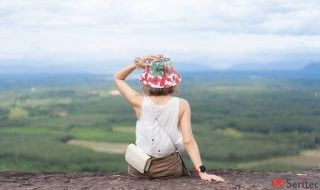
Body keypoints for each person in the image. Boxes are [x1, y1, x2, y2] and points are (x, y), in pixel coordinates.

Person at [113, 54, 225, 182]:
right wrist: (203, 172)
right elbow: (188, 142)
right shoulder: (182, 105)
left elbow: (118, 78)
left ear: (147, 83)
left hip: (139, 170)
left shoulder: (139, 102)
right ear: (172, 83)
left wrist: (137, 64)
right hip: (169, 169)